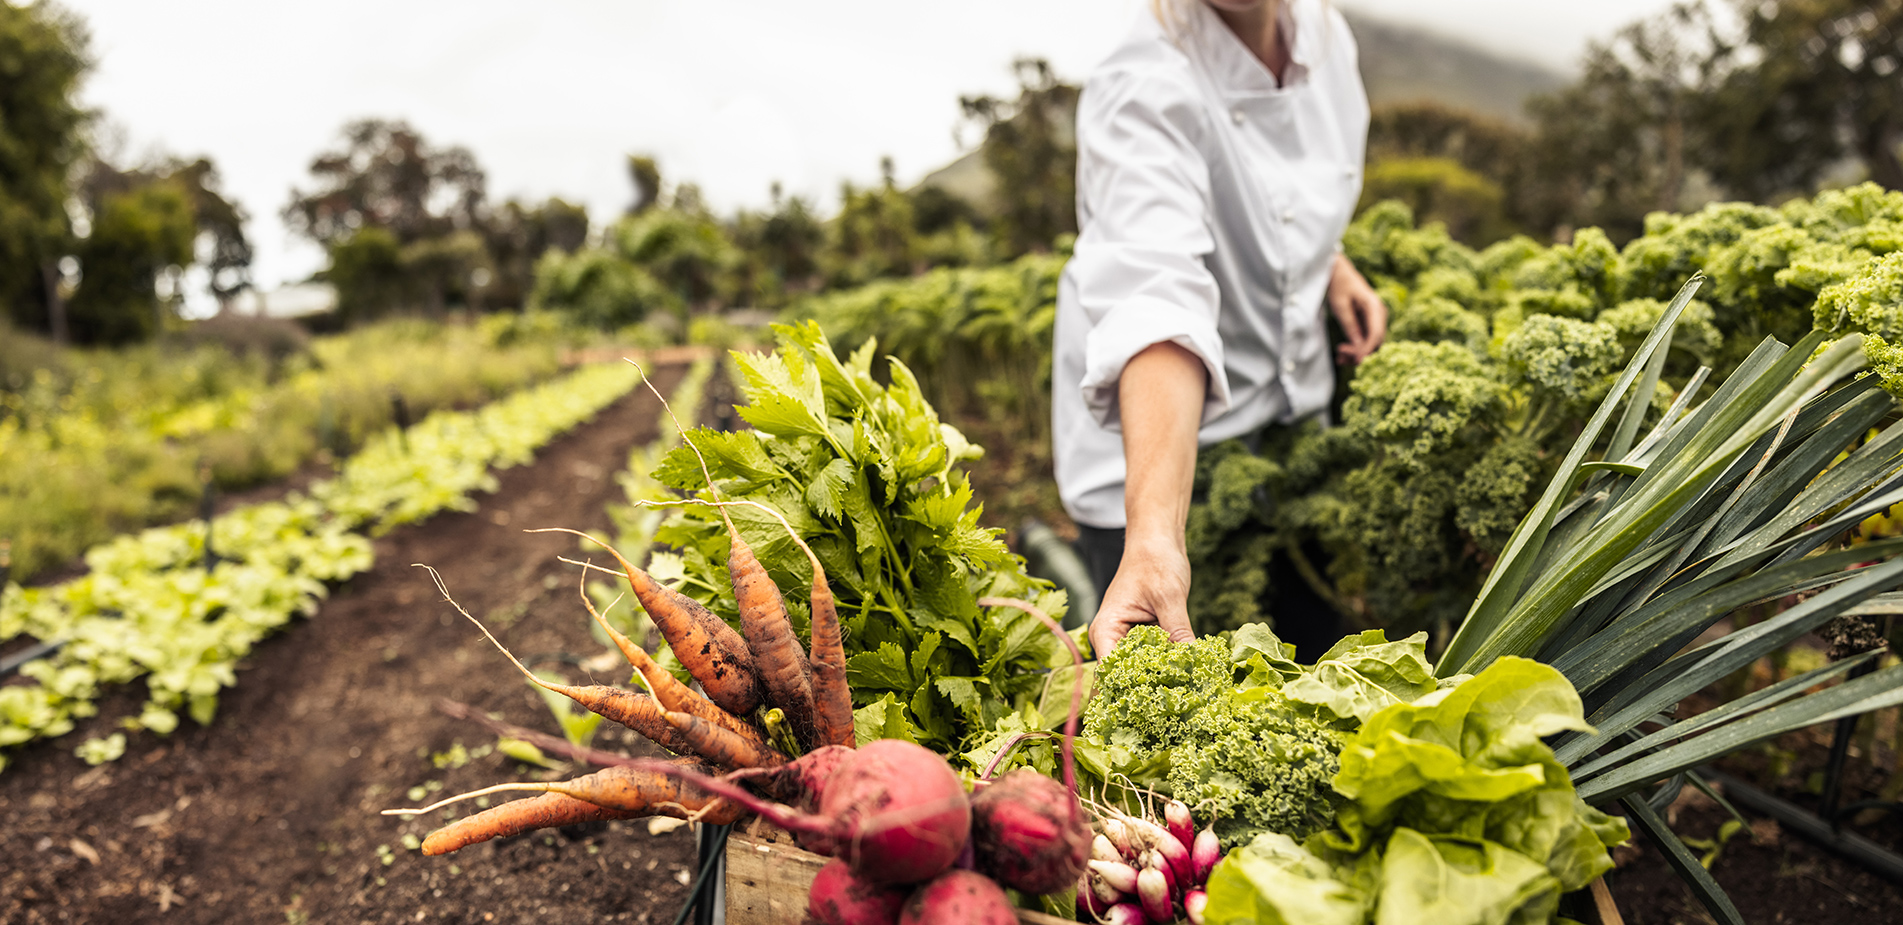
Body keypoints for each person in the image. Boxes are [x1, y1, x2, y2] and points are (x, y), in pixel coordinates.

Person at [1053, 0, 1388, 659]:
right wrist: (1152, 537)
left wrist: (1329, 260)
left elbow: (1287, 186)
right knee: (1188, 710)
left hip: (1283, 417)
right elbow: (1156, 296)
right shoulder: (1142, 82)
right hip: (1153, 447)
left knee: (1311, 644)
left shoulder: (1323, 35)